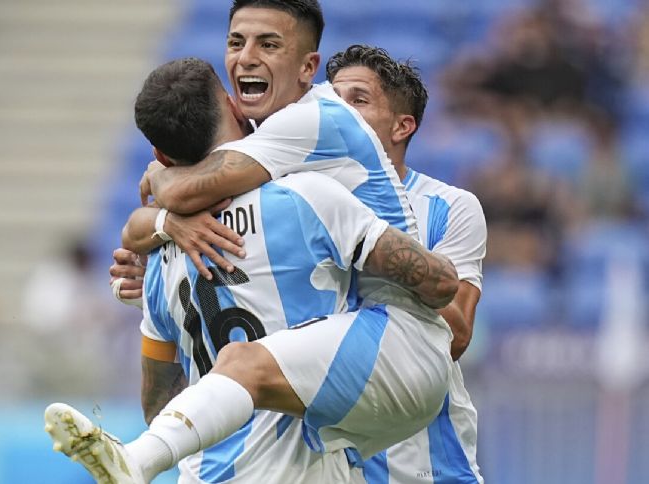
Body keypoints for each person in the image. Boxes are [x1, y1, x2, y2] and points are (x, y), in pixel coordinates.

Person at [46, 52, 461, 483]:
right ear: (231, 105)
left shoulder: (157, 257)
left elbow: (157, 404)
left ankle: (138, 459)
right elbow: (433, 284)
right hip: (297, 471)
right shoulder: (306, 199)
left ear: (159, 156)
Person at [328, 44, 486, 483]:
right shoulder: (298, 201)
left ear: (402, 126)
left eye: (358, 100)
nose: (340, 114)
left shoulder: (451, 206)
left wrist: (379, 244)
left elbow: (455, 334)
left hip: (429, 467)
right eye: (333, 100)